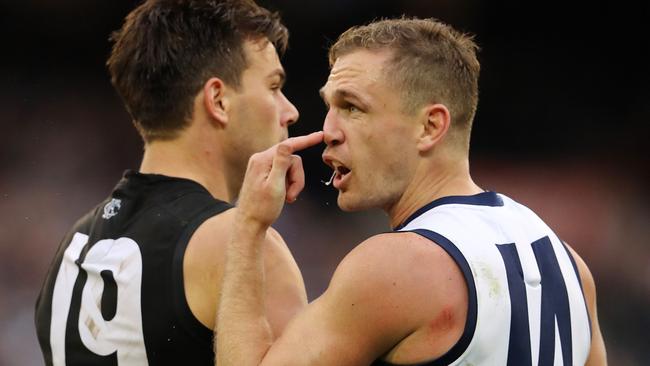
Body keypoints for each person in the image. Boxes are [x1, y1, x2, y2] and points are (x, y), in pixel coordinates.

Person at [216, 18, 608, 365]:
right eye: (330, 107)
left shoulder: (396, 266)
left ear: (430, 127)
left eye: (352, 107)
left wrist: (249, 225)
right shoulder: (569, 265)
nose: (329, 132)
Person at [34, 1, 308, 365]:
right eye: (273, 87)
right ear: (218, 100)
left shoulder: (73, 248)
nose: (290, 110)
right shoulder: (239, 244)